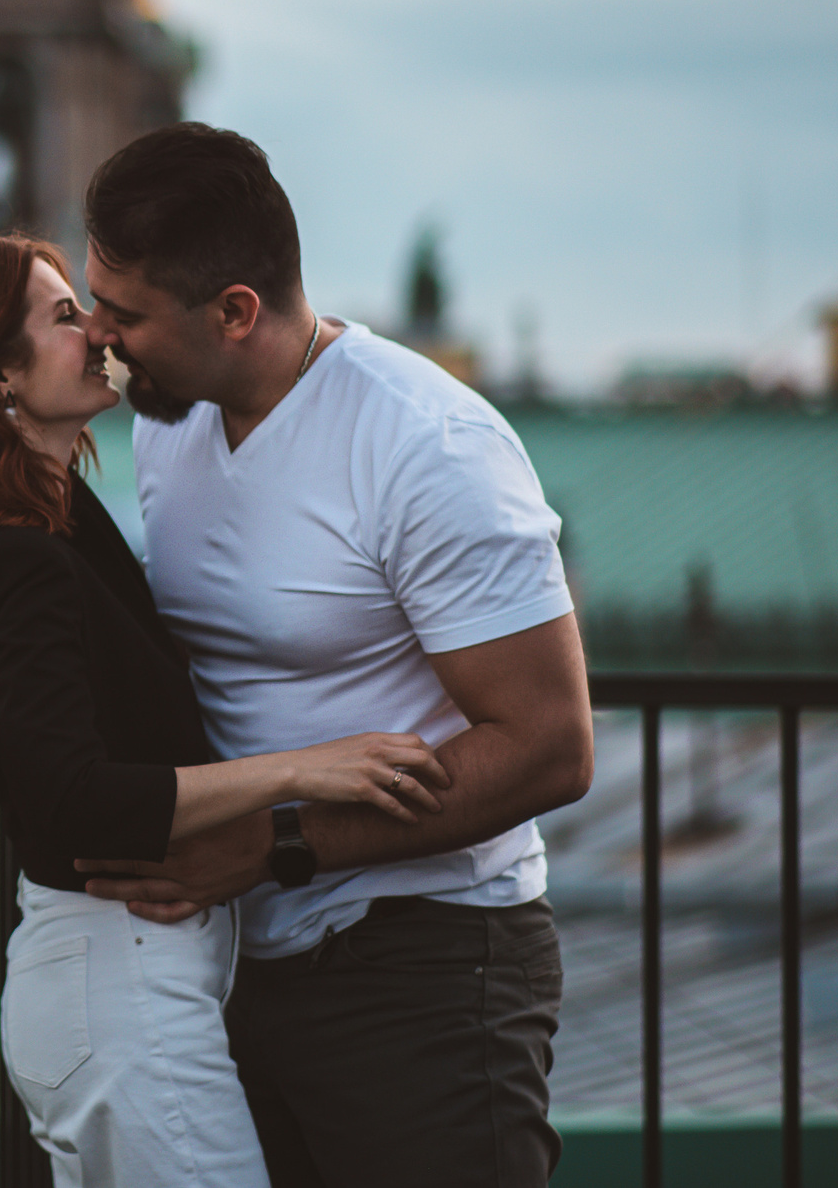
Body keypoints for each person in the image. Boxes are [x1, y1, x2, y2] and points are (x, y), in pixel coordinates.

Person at [0, 234, 452, 1186]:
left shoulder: (62, 521)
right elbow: (70, 799)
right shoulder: (16, 557)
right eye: (60, 317)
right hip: (120, 990)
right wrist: (302, 770)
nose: (94, 331)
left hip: (140, 984)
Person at [71, 124, 594, 1188]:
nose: (98, 337)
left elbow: (549, 748)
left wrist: (273, 846)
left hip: (424, 965)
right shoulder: (172, 416)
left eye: (123, 315)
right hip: (235, 963)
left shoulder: (425, 445)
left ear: (234, 311)